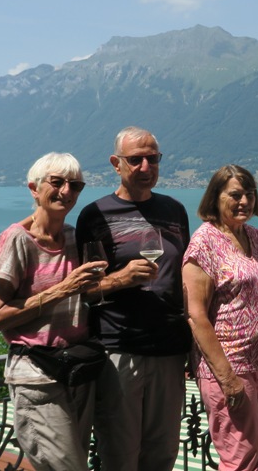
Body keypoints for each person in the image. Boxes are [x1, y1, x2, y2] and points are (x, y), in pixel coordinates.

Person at [75, 127, 191, 470]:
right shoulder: (96, 215)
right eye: (135, 159)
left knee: (162, 454)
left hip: (170, 350)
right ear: (116, 163)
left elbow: (186, 277)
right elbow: (83, 291)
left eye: (152, 159)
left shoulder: (174, 210)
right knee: (120, 455)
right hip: (119, 351)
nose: (145, 167)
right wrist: (120, 279)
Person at [0, 152, 101, 471]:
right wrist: (62, 289)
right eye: (57, 182)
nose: (66, 191)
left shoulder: (75, 238)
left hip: (76, 371)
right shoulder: (16, 241)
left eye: (75, 185)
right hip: (37, 378)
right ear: (34, 188)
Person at [183, 165, 258, 471]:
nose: (245, 202)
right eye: (236, 195)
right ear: (215, 197)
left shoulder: (256, 237)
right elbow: (196, 316)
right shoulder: (204, 243)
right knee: (240, 457)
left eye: (250, 194)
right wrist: (227, 379)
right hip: (232, 366)